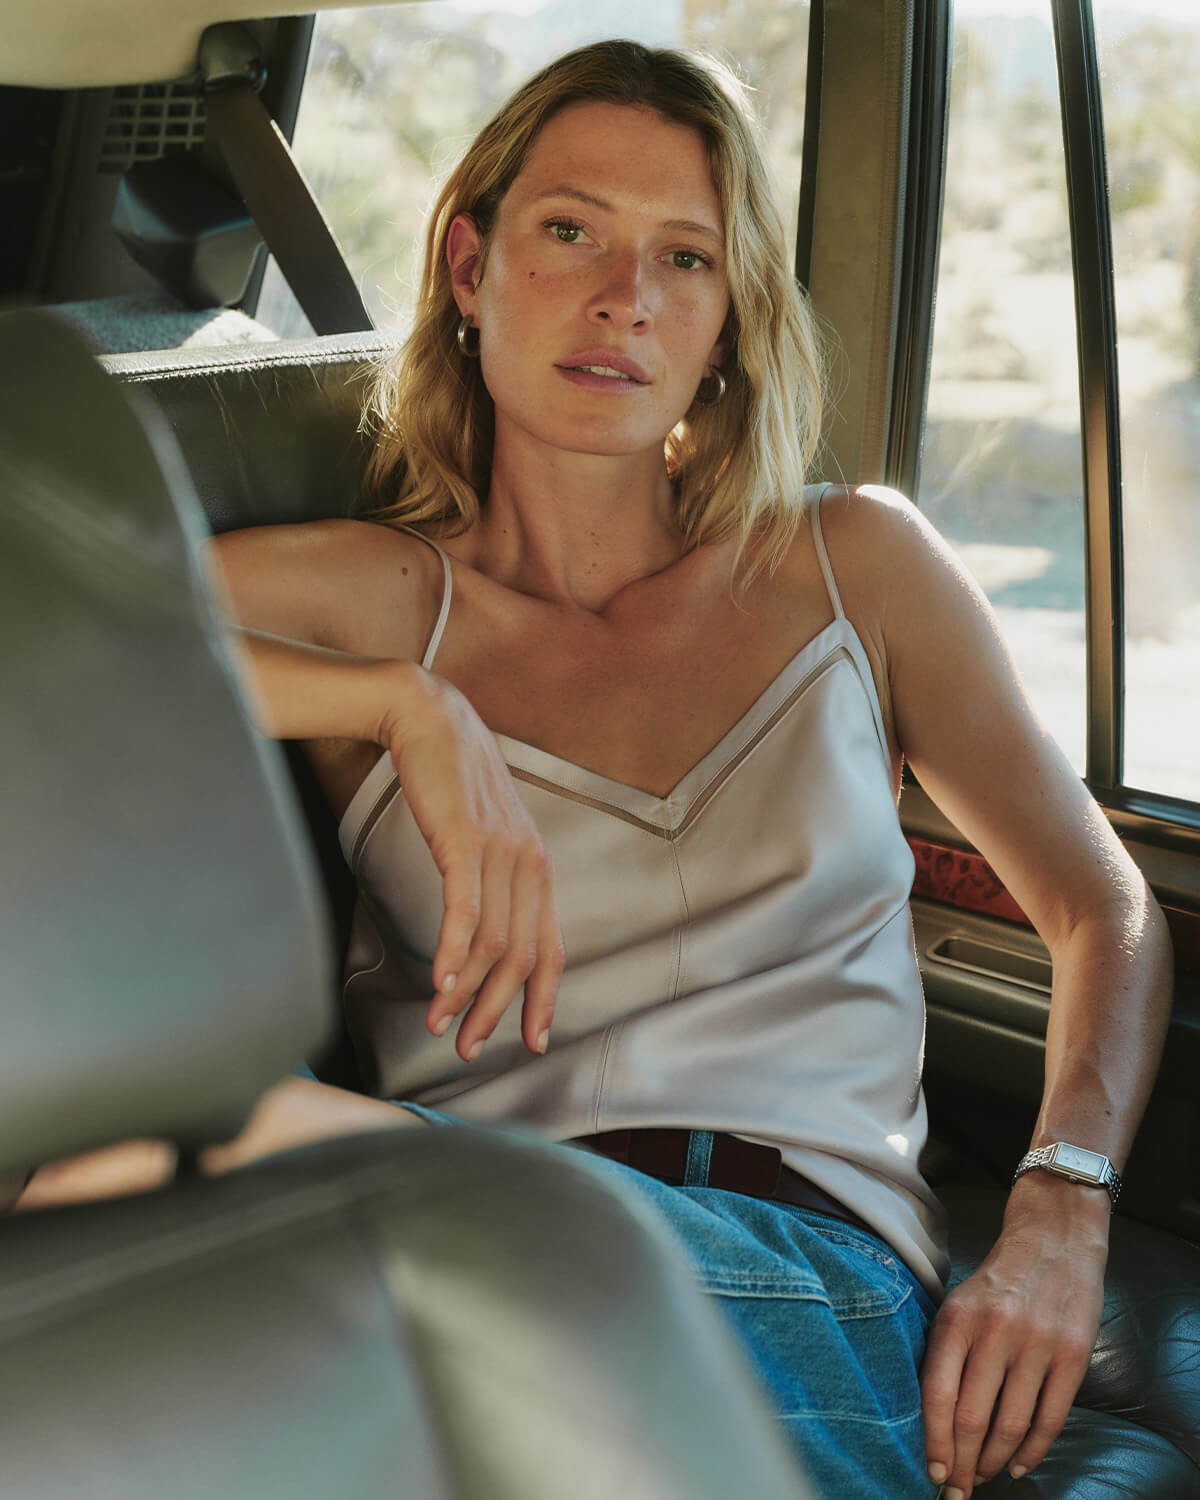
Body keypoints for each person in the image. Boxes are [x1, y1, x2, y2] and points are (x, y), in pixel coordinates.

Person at [17, 39, 1172, 1500]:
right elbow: (39, 640)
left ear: (729, 318)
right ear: (466, 263)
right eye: (571, 230)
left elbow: (1098, 907)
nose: (626, 294)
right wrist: (400, 708)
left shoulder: (854, 564)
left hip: (800, 1262)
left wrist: (1060, 1205)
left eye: (685, 256)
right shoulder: (368, 601)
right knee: (112, 1192)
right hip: (453, 1231)